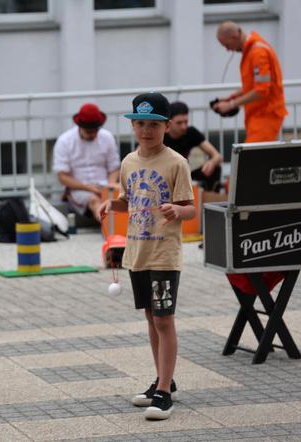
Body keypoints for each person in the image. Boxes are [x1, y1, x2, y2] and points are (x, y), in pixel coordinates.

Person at [98, 93, 195, 420]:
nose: (145, 130)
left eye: (153, 124)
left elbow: (191, 209)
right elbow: (128, 200)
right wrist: (111, 205)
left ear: (167, 126)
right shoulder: (128, 162)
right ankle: (163, 379)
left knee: (164, 320)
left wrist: (178, 210)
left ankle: (164, 392)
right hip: (136, 253)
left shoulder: (176, 163)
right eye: (139, 123)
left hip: (164, 255)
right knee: (151, 320)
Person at [213, 21, 287, 142]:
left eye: (226, 45)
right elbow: (253, 86)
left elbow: (262, 90)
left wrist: (231, 104)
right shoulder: (252, 50)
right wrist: (231, 97)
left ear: (234, 36)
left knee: (253, 158)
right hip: (259, 116)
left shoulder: (257, 53)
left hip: (266, 115)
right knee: (257, 157)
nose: (227, 50)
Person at [53, 103, 120, 222]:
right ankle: (109, 229)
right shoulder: (64, 141)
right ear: (80, 126)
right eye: (89, 132)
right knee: (94, 201)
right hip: (79, 188)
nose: (93, 134)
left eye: (95, 130)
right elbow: (62, 176)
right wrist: (87, 187)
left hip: (105, 185)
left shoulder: (107, 137)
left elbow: (114, 168)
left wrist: (109, 185)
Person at [164, 101, 223, 191]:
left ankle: (211, 198)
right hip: (164, 177)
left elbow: (217, 156)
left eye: (186, 122)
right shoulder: (160, 135)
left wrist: (212, 162)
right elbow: (140, 154)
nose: (184, 126)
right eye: (179, 123)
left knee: (215, 167)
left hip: (185, 176)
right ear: (169, 123)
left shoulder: (191, 132)